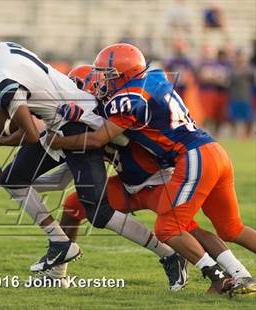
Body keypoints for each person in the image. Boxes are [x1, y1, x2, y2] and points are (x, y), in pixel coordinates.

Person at [0, 24, 179, 273]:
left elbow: (29, 134)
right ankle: (60, 242)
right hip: (62, 122)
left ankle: (169, 255)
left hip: (79, 125)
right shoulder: (2, 52)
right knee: (14, 180)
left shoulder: (3, 78)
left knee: (99, 213)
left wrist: (1, 140)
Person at [46, 43, 256, 294]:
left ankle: (224, 276)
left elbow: (99, 137)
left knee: (171, 228)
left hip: (187, 160)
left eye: (107, 75)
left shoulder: (125, 100)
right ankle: (57, 273)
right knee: (230, 228)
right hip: (204, 154)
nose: (103, 82)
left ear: (123, 74)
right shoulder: (150, 80)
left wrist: (59, 140)